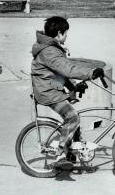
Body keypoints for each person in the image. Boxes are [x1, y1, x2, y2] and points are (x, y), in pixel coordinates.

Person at [31, 16, 105, 167]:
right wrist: (91, 73)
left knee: (74, 120)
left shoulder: (51, 48)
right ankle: (60, 154)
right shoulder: (49, 51)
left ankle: (71, 153)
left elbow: (59, 71)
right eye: (66, 33)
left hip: (50, 87)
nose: (67, 36)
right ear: (59, 33)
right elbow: (68, 69)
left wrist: (74, 86)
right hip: (48, 92)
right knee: (72, 118)